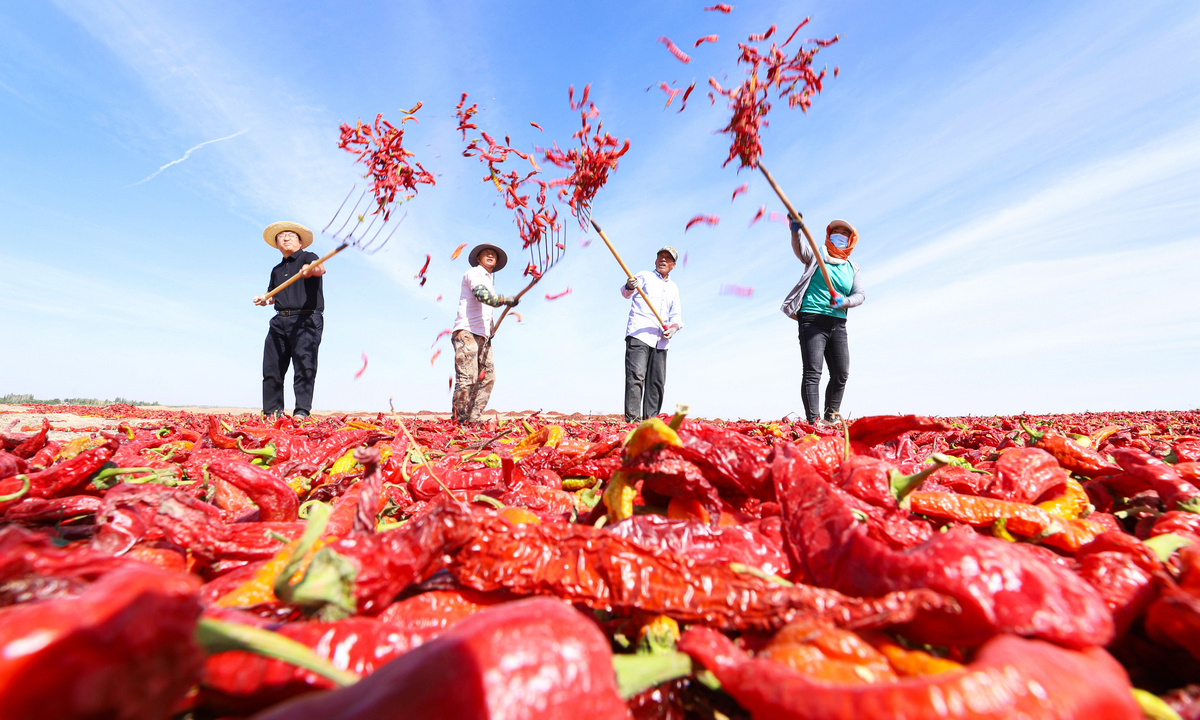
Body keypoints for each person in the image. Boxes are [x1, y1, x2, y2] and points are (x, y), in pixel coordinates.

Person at [780, 217, 865, 425]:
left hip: (838, 323)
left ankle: (830, 418)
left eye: (844, 233)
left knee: (841, 373)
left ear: (851, 239)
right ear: (828, 235)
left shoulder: (851, 267)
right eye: (835, 232)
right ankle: (813, 421)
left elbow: (860, 295)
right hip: (812, 318)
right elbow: (801, 250)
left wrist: (844, 301)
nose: (840, 236)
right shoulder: (818, 255)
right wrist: (796, 232)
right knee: (812, 371)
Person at [253, 221, 326, 419]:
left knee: (304, 367)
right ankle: (272, 413)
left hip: (306, 320)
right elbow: (274, 295)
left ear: (301, 242)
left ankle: (301, 412)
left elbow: (320, 269)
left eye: (291, 235)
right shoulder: (277, 270)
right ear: (277, 244)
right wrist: (264, 298)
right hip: (279, 321)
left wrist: (310, 270)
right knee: (271, 368)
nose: (285, 238)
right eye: (281, 236)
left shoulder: (308, 258)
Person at [452, 243, 519, 423]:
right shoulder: (474, 273)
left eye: (493, 254)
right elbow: (481, 295)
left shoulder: (489, 280)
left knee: (488, 377)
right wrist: (504, 300)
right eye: (486, 253)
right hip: (467, 333)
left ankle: (474, 418)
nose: (490, 255)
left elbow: (485, 309)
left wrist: (490, 329)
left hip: (483, 336)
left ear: (496, 262)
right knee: (467, 378)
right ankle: (459, 421)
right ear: (478, 259)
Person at [621, 247, 683, 423]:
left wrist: (673, 328)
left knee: (656, 383)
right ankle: (632, 421)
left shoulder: (673, 288)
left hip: (661, 340)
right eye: (660, 257)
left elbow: (676, 315)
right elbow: (626, 293)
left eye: (667, 258)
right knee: (636, 376)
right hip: (639, 333)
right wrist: (629, 285)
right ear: (656, 260)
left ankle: (650, 421)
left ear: (673, 265)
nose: (663, 260)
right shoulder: (644, 276)